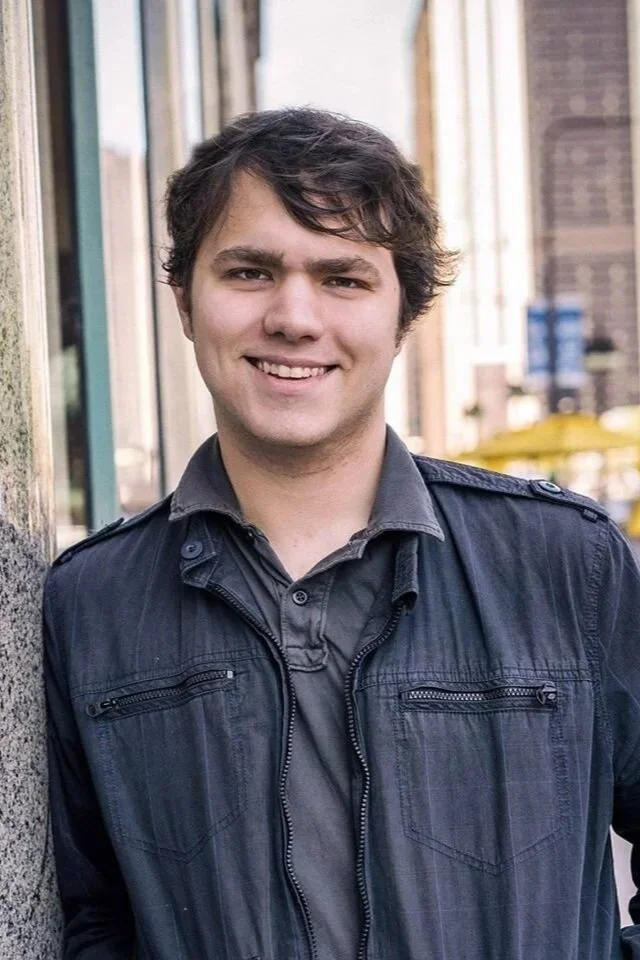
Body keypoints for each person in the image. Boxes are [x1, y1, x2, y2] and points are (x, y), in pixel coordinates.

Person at [44, 107, 640, 960]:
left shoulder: (568, 564)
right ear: (184, 301)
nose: (294, 317)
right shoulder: (90, 603)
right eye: (249, 272)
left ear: (404, 315)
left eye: (344, 279)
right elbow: (90, 914)